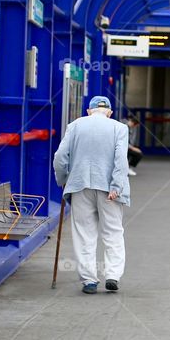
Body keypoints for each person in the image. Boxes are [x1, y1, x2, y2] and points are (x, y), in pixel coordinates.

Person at [53, 96, 130, 294]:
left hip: (80, 186)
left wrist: (63, 180)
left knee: (84, 233)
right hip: (109, 189)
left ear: (89, 111)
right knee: (113, 232)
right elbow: (121, 159)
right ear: (109, 112)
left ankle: (89, 280)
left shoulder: (75, 125)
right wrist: (116, 187)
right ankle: (112, 275)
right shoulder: (119, 128)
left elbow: (60, 156)